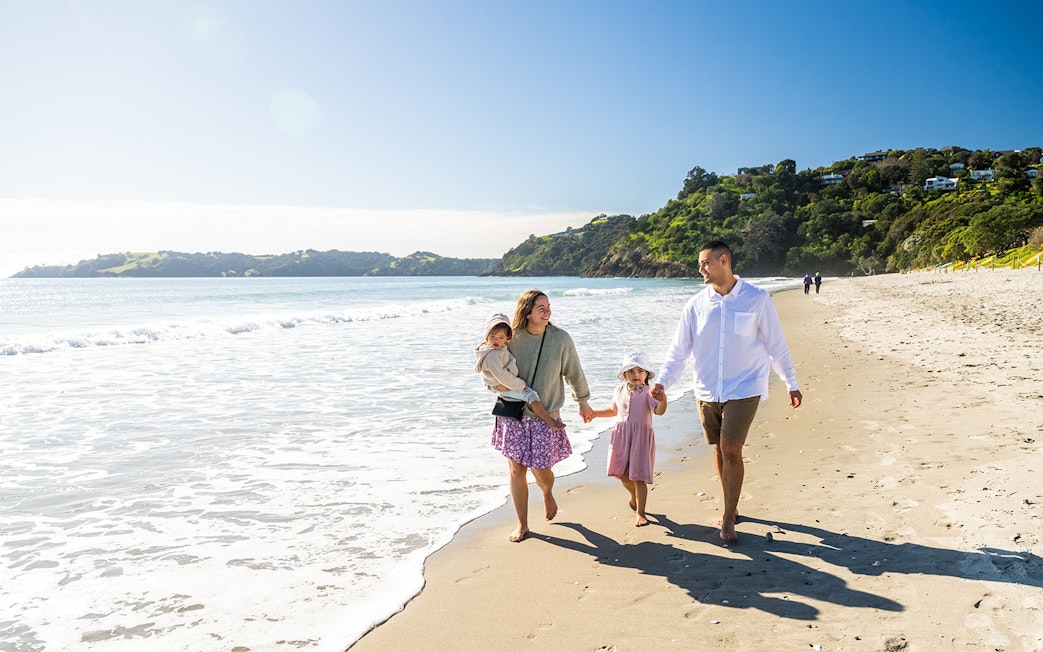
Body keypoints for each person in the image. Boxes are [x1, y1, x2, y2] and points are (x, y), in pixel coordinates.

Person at [652, 240, 802, 544]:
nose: (700, 269)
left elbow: (776, 344)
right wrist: (664, 382)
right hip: (706, 388)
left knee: (732, 449)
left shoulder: (756, 299)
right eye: (699, 264)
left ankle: (729, 516)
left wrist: (791, 381)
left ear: (724, 261)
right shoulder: (695, 305)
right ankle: (729, 502)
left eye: (705, 263)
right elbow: (679, 352)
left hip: (744, 386)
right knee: (719, 449)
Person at [491, 290, 594, 542]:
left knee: (542, 469)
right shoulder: (511, 339)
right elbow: (491, 367)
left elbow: (574, 372)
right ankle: (522, 524)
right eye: (541, 308)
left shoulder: (560, 339)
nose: (548, 311)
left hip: (544, 414)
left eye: (548, 307)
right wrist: (495, 386)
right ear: (527, 312)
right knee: (516, 470)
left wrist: (583, 402)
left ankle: (547, 492)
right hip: (513, 413)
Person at [591, 351, 667, 527]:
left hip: (640, 440)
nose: (636, 375)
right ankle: (633, 496)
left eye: (640, 371)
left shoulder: (649, 393)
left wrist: (663, 400)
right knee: (624, 476)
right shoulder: (619, 390)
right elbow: (613, 410)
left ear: (646, 374)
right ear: (624, 374)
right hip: (621, 437)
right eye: (631, 371)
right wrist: (594, 413)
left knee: (638, 477)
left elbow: (659, 411)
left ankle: (641, 513)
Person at [475, 312, 565, 431]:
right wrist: (520, 384)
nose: (496, 340)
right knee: (531, 395)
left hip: (506, 385)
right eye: (493, 336)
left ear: (508, 338)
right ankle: (549, 421)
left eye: (501, 337)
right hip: (506, 385)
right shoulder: (491, 355)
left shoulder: (496, 349)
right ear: (486, 335)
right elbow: (502, 376)